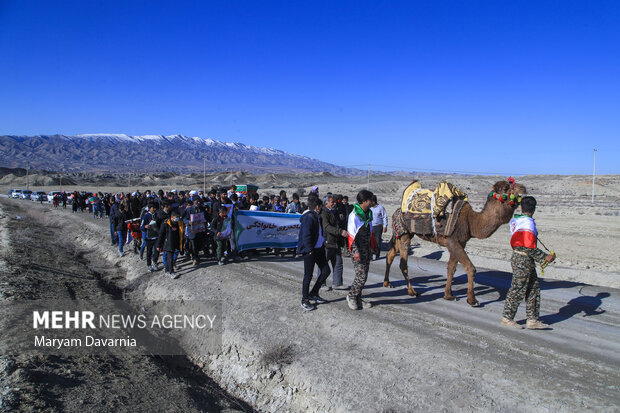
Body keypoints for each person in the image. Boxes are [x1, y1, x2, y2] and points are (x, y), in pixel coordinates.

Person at [502, 196, 555, 330]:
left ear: (521, 207)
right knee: (518, 289)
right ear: (534, 208)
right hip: (523, 259)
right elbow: (526, 246)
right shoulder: (527, 223)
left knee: (533, 288)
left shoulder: (517, 221)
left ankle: (532, 320)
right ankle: (507, 318)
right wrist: (544, 257)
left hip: (523, 259)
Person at [297, 195, 331, 311]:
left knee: (326, 270)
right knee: (308, 275)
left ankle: (314, 293)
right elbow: (306, 235)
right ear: (317, 207)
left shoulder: (316, 217)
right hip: (310, 251)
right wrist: (309, 250)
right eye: (320, 206)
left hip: (319, 248)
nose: (321, 208)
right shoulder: (309, 218)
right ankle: (305, 299)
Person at [346, 190, 376, 310]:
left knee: (364, 275)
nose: (372, 202)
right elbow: (351, 235)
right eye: (370, 200)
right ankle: (351, 296)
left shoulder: (368, 213)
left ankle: (358, 298)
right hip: (357, 250)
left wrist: (373, 246)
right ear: (364, 201)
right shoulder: (354, 215)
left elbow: (370, 231)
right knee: (361, 275)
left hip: (366, 249)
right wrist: (355, 251)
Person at [321, 195, 348, 290]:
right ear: (326, 203)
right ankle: (321, 283)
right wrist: (340, 232)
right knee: (323, 264)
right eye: (332, 202)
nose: (334, 203)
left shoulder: (335, 212)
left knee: (338, 263)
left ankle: (337, 283)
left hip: (336, 242)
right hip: (327, 242)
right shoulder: (323, 213)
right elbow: (327, 227)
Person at [157, 210, 184, 278]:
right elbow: (161, 235)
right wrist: (158, 245)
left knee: (172, 256)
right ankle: (171, 272)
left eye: (178, 217)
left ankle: (167, 270)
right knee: (169, 258)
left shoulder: (178, 223)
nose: (177, 218)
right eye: (176, 217)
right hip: (168, 243)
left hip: (176, 242)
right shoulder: (166, 224)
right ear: (172, 217)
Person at [141, 203, 160, 272]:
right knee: (149, 251)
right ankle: (149, 265)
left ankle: (155, 262)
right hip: (149, 237)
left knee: (157, 250)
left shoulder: (157, 215)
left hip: (156, 236)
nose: (154, 209)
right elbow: (141, 226)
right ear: (150, 208)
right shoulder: (145, 216)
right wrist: (145, 227)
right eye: (153, 208)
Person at [370, 195, 388, 260]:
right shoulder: (369, 208)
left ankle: (377, 254)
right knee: (370, 241)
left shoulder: (381, 208)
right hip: (371, 227)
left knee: (377, 241)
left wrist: (385, 226)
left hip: (378, 227)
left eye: (371, 201)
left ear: (374, 201)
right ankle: (371, 255)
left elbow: (385, 217)